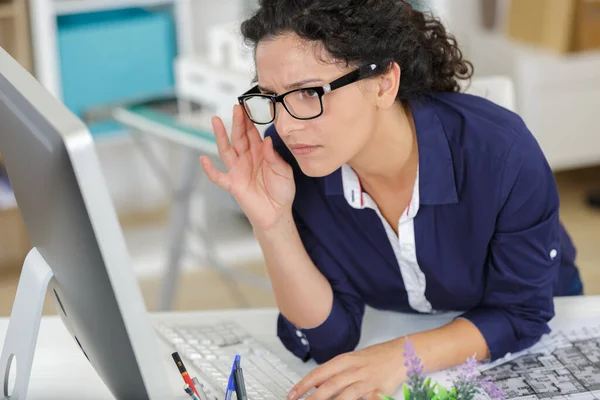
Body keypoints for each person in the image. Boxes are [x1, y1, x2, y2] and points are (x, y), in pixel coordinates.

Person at [200, 0, 584, 398]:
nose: (284, 124)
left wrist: (398, 358)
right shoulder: (293, 161)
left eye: (307, 93)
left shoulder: (501, 151)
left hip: (528, 341)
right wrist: (272, 223)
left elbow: (520, 313)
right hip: (406, 333)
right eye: (272, 97)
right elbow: (327, 339)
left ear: (384, 83)